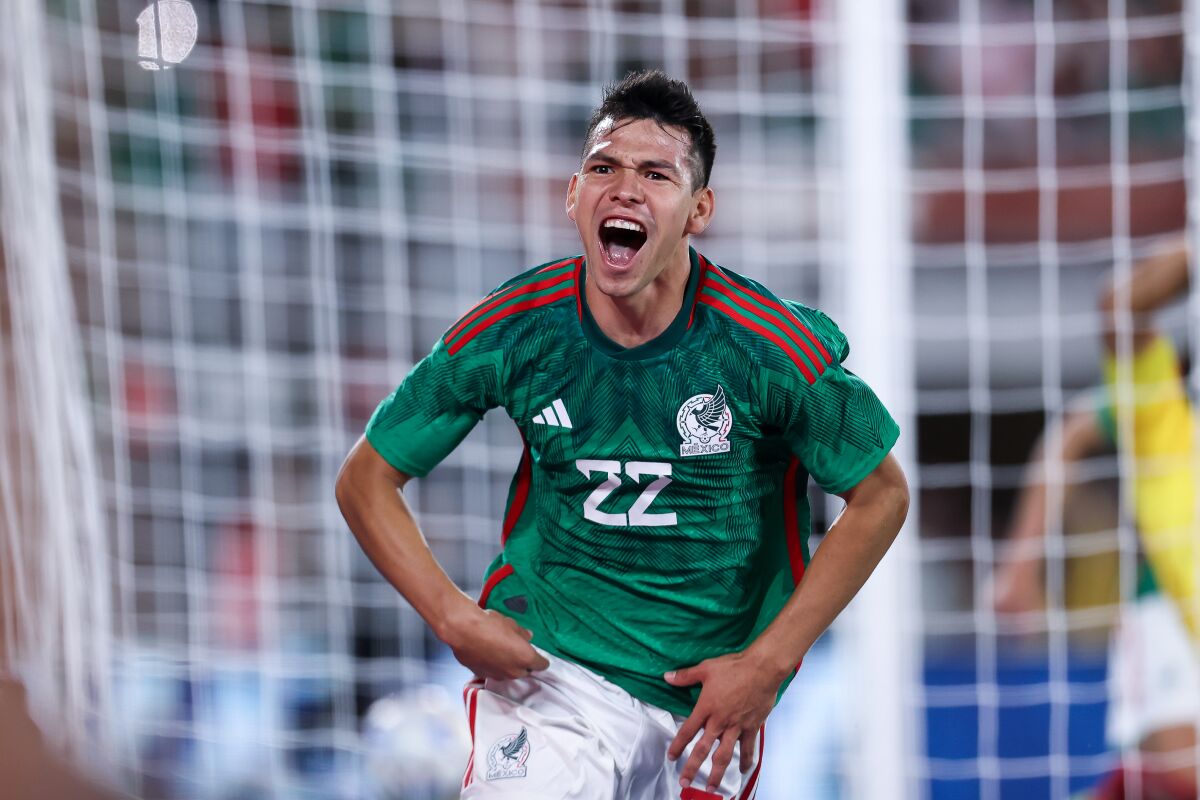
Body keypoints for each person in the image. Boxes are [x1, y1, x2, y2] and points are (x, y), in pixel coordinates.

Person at [335, 70, 908, 800]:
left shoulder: (768, 347)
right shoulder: (517, 328)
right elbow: (365, 475)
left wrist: (767, 664)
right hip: (553, 672)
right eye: (604, 167)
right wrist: (449, 612)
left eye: (655, 174)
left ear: (699, 210)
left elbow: (882, 494)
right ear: (574, 195)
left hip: (708, 698)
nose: (625, 188)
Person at [993, 237, 1199, 799]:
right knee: (1180, 776)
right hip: (1172, 616)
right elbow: (1074, 428)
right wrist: (1022, 562)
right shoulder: (1169, 413)